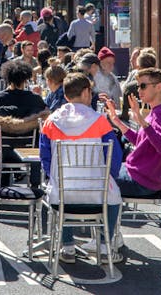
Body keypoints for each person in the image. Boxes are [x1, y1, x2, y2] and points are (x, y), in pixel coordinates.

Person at [40, 72, 123, 263]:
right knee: (115, 197)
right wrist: (109, 178)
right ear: (86, 92)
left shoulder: (51, 121)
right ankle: (103, 245)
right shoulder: (100, 120)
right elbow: (115, 156)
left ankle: (67, 246)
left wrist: (52, 177)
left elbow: (45, 158)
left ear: (66, 95)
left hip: (61, 196)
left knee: (62, 185)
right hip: (97, 195)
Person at [106, 68, 161, 197]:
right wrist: (117, 121)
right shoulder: (157, 111)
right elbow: (142, 141)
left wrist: (142, 122)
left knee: (98, 180)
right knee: (101, 172)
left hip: (142, 181)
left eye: (143, 86)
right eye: (138, 86)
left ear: (158, 87)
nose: (139, 90)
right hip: (137, 174)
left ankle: (102, 216)